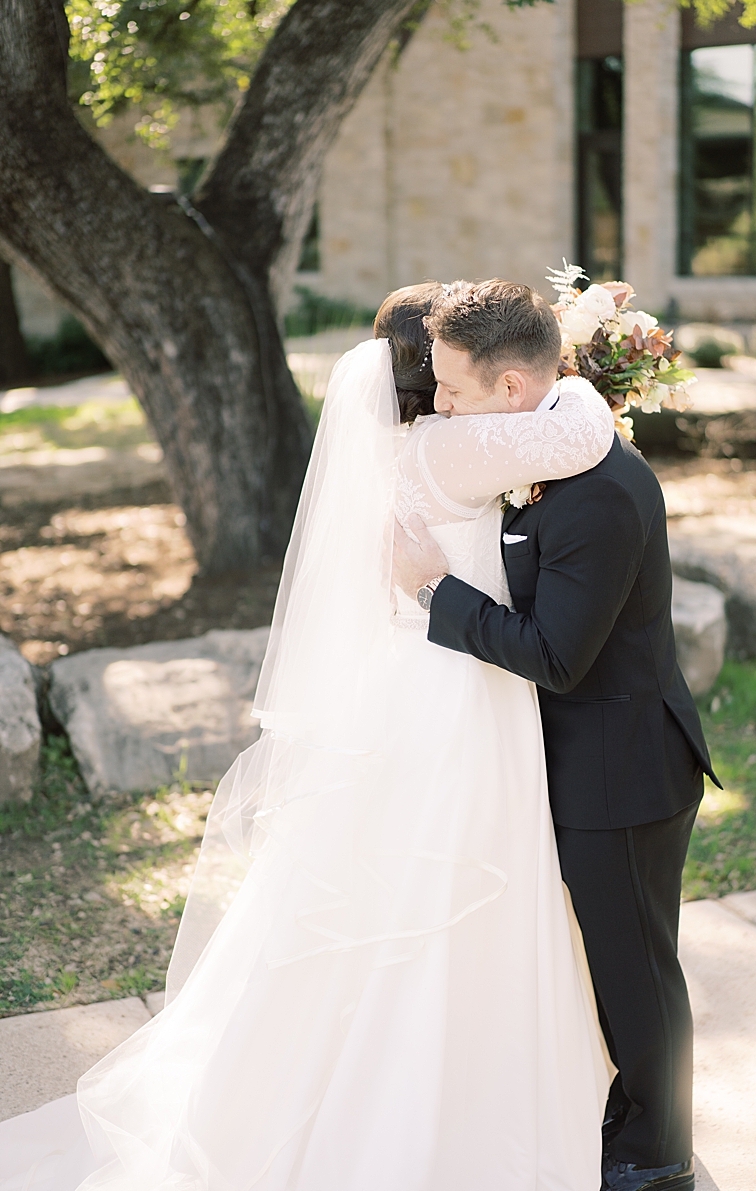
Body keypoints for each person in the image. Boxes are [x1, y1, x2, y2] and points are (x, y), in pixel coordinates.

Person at [0, 282, 615, 1191]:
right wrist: (579, 356)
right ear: (428, 376)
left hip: (411, 683)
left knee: (393, 889)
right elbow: (581, 435)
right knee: (459, 877)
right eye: (444, 370)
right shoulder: (450, 447)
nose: (452, 386)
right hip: (459, 692)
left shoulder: (399, 447)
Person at [393, 279, 723, 1191]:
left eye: (453, 387)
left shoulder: (600, 494)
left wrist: (432, 591)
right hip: (589, 760)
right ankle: (634, 1106)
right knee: (617, 964)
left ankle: (657, 1151)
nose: (441, 402)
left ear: (509, 388)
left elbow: (556, 655)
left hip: (624, 771)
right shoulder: (541, 443)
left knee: (638, 971)